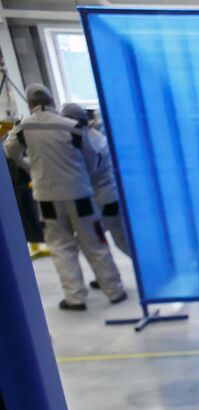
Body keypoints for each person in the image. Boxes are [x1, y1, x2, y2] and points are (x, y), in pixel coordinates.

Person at [2, 84, 125, 310]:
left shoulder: (23, 128)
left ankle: (75, 297)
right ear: (51, 100)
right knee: (95, 242)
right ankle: (114, 290)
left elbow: (10, 152)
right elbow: (90, 163)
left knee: (61, 247)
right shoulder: (73, 128)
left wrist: (31, 166)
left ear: (29, 104)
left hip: (47, 198)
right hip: (80, 195)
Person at [60, 102, 128, 256]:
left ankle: (109, 278)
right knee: (120, 239)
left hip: (101, 201)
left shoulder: (85, 140)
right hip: (110, 197)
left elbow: (88, 171)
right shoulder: (95, 136)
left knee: (95, 243)